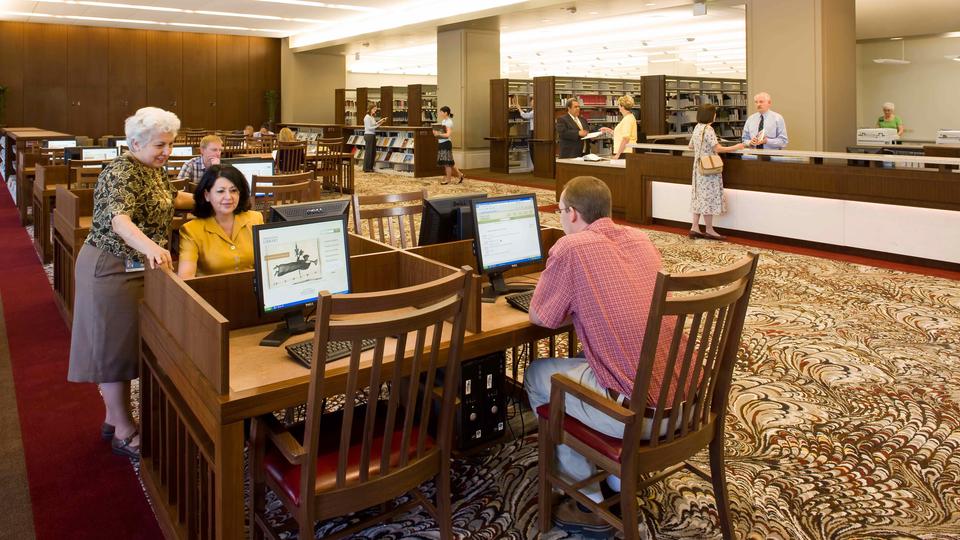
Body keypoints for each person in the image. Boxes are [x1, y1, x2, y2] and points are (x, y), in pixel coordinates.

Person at [524, 175, 684, 533]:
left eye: (560, 210)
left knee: (538, 374)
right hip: (684, 406)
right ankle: (615, 479)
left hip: (637, 415)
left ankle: (588, 501)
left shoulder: (571, 248)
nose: (561, 217)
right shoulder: (641, 239)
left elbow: (541, 317)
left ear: (573, 214)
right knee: (587, 359)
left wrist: (571, 300)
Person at [68, 107, 195, 460]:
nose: (167, 151)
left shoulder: (153, 170)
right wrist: (152, 246)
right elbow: (119, 220)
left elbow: (172, 199)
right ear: (136, 143)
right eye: (160, 145)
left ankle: (114, 418)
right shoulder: (120, 171)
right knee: (114, 350)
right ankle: (124, 431)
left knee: (126, 346)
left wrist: (213, 197)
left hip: (137, 267)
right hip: (110, 267)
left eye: (170, 144)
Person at [177, 165, 263, 279]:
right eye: (220, 191)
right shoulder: (191, 230)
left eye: (233, 190)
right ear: (207, 195)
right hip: (211, 289)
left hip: (252, 288)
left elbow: (267, 263)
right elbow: (186, 279)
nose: (228, 197)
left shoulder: (255, 219)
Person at [689, 103, 744, 241]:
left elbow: (690, 146)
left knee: (699, 196)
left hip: (698, 167)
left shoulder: (697, 127)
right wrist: (736, 147)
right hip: (709, 168)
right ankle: (709, 230)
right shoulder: (709, 129)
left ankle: (694, 227)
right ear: (711, 115)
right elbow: (718, 149)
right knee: (708, 197)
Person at [433, 105, 463, 185]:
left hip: (446, 143)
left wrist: (439, 134)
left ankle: (448, 180)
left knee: (447, 163)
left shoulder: (449, 122)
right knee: (449, 162)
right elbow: (442, 132)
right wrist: (436, 133)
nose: (440, 113)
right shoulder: (443, 121)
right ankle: (460, 175)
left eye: (441, 112)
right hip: (441, 142)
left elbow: (447, 135)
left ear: (446, 113)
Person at [362, 104, 385, 173]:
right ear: (370, 109)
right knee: (369, 152)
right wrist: (377, 126)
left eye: (375, 109)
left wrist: (381, 121)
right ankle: (366, 168)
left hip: (372, 135)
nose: (375, 110)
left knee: (373, 152)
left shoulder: (372, 117)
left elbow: (374, 124)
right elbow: (369, 128)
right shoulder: (367, 117)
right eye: (374, 109)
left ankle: (370, 167)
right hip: (368, 135)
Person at [515, 98, 535, 165]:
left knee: (532, 149)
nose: (531, 104)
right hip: (534, 131)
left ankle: (535, 166)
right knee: (533, 149)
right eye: (531, 102)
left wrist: (519, 108)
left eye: (532, 103)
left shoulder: (534, 111)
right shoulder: (534, 111)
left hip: (534, 132)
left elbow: (525, 116)